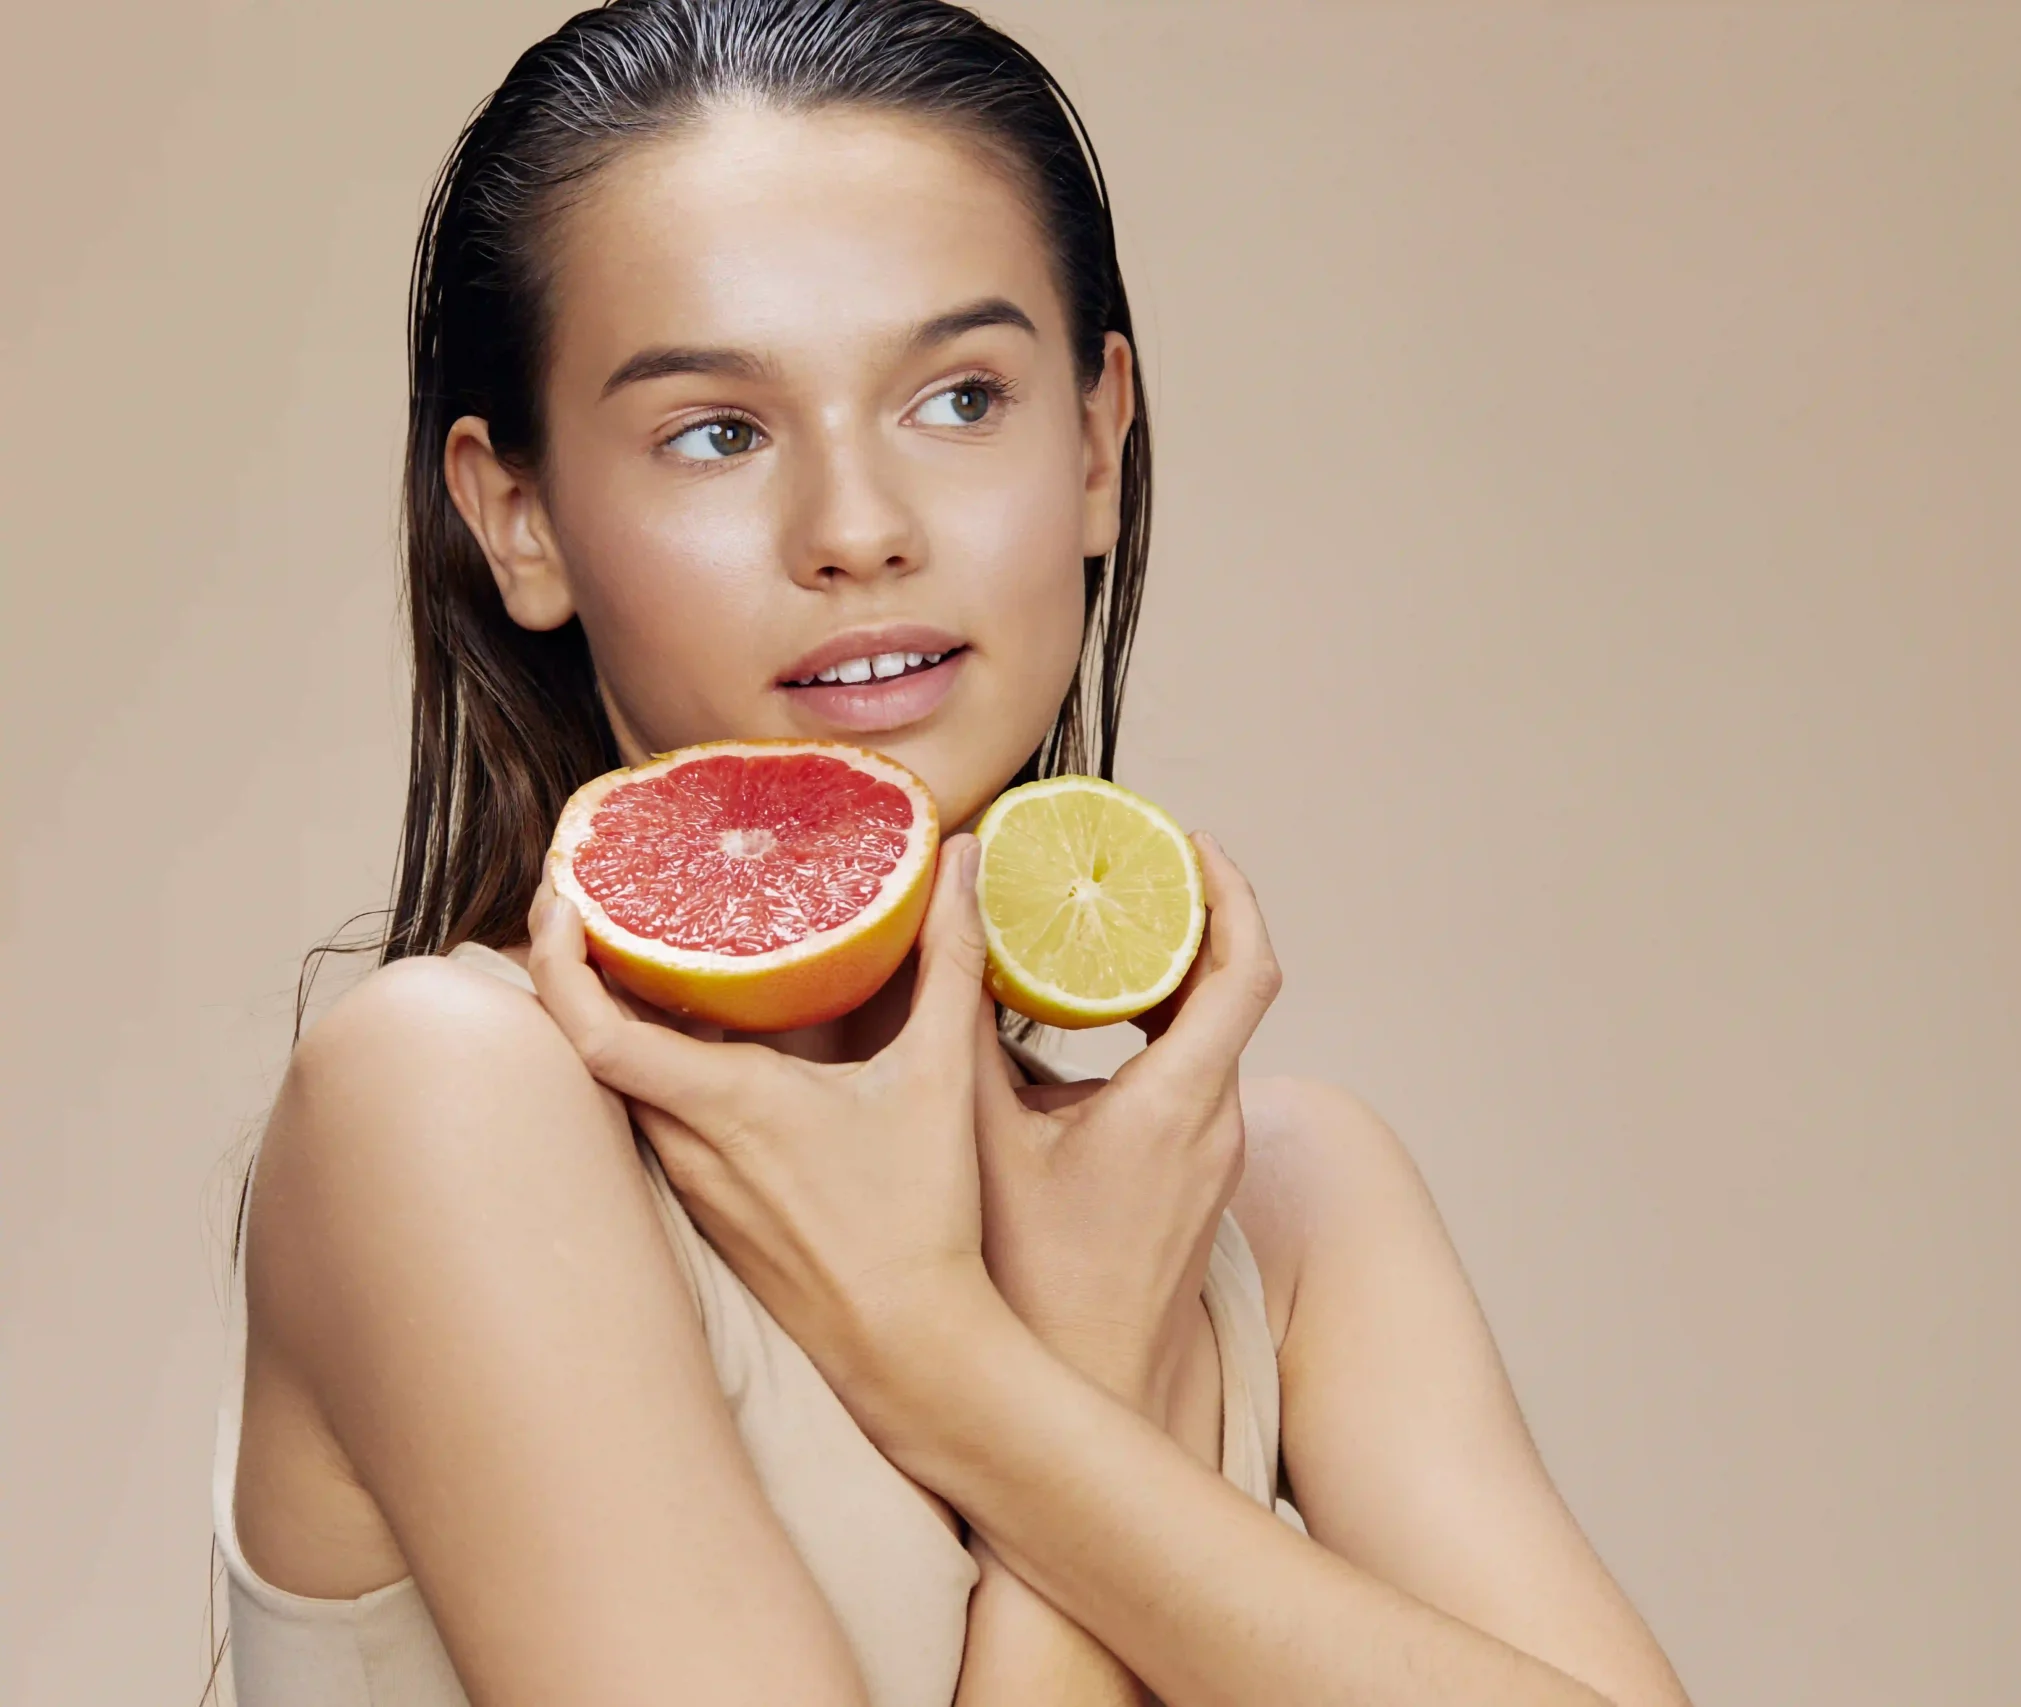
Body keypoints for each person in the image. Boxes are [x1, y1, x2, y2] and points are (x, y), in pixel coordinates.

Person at [213, 3, 1692, 1703]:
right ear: (519, 517)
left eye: (963, 396)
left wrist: (945, 1362)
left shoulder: (1282, 1202)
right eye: (718, 430)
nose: (858, 529)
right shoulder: (448, 1101)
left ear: (1094, 442)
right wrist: (1074, 1367)